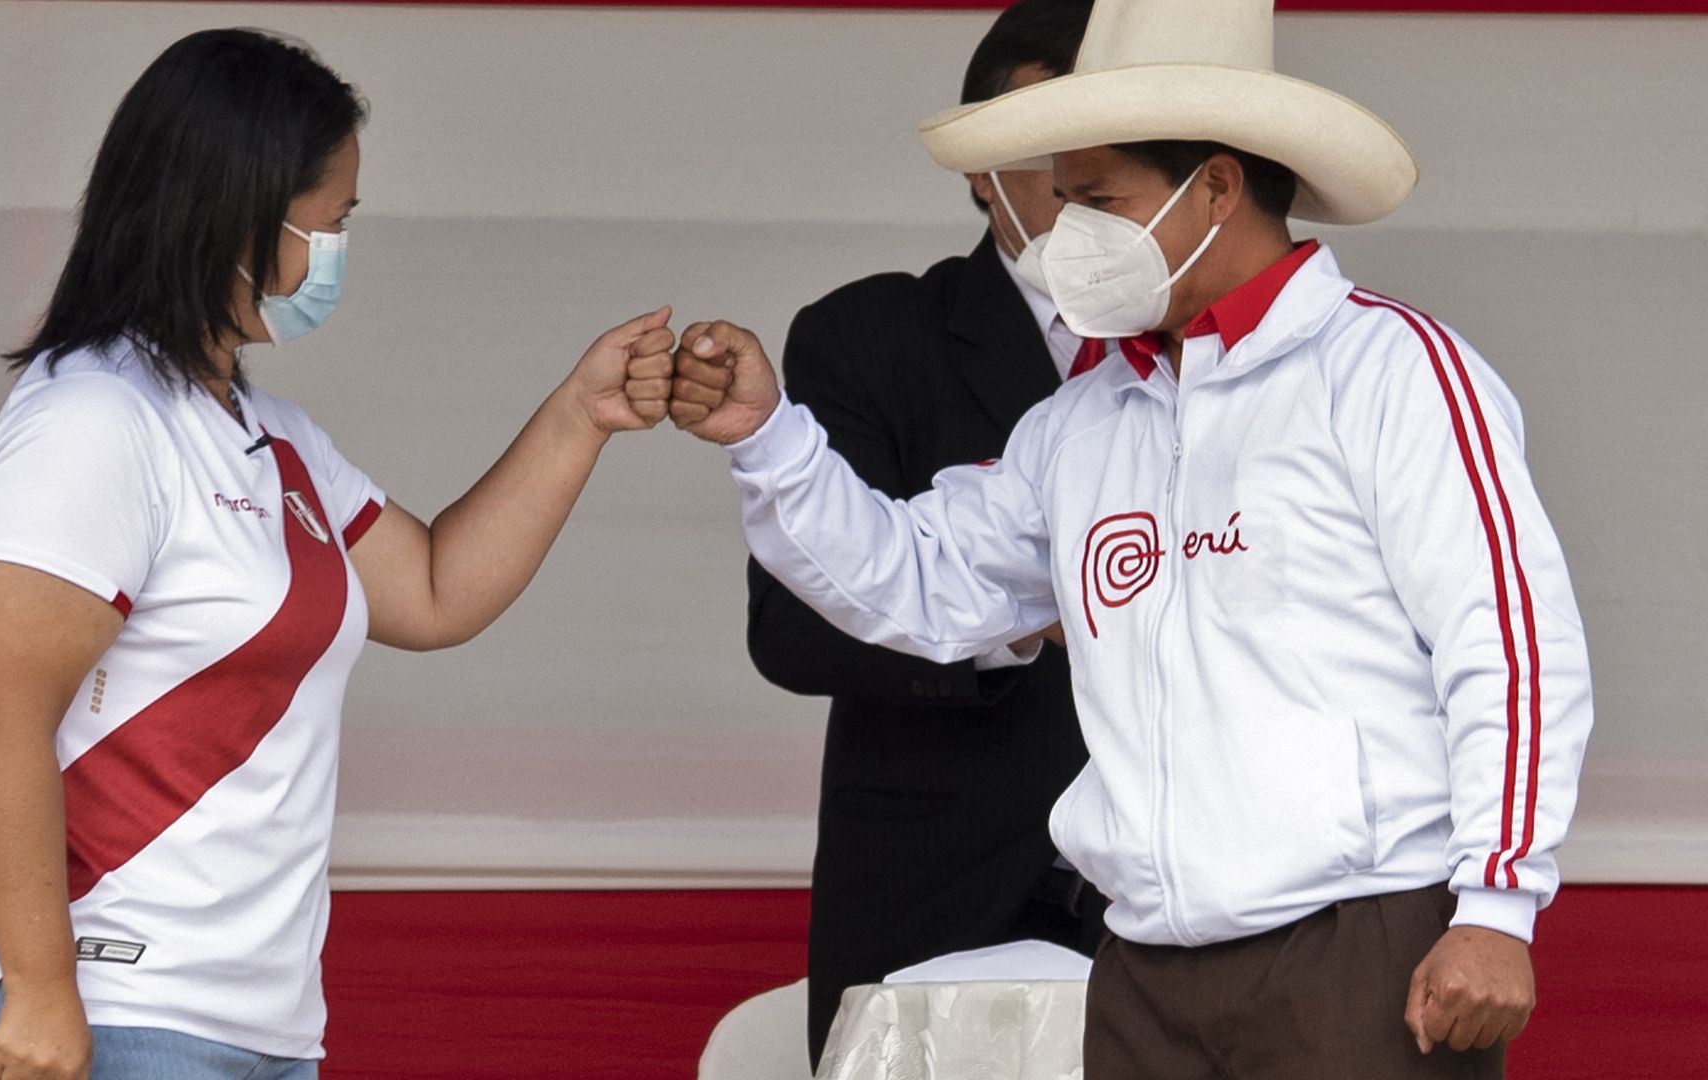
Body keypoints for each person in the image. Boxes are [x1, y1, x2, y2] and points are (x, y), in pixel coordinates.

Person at [647, 0, 1593, 1075]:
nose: (1067, 233)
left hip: (1359, 944)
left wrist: (1498, 904)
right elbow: (917, 582)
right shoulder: (1080, 423)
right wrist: (768, 437)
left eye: (1098, 200)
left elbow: (1511, 643)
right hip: (1145, 967)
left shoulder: (1391, 372)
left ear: (1218, 188)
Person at [0, 29, 674, 1080]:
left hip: (255, 1028)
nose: (340, 248)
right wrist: (43, 995)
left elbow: (437, 589)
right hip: (117, 1011)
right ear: (236, 215)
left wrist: (578, 416)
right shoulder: (91, 421)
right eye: (333, 221)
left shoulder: (270, 437)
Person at [740, 0, 1103, 1063]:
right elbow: (796, 631)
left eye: (1112, 148)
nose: (1082, 181)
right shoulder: (872, 336)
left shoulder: (1210, 355)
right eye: (1046, 150)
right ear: (978, 168)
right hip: (938, 888)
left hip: (1181, 903)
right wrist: (1025, 624)